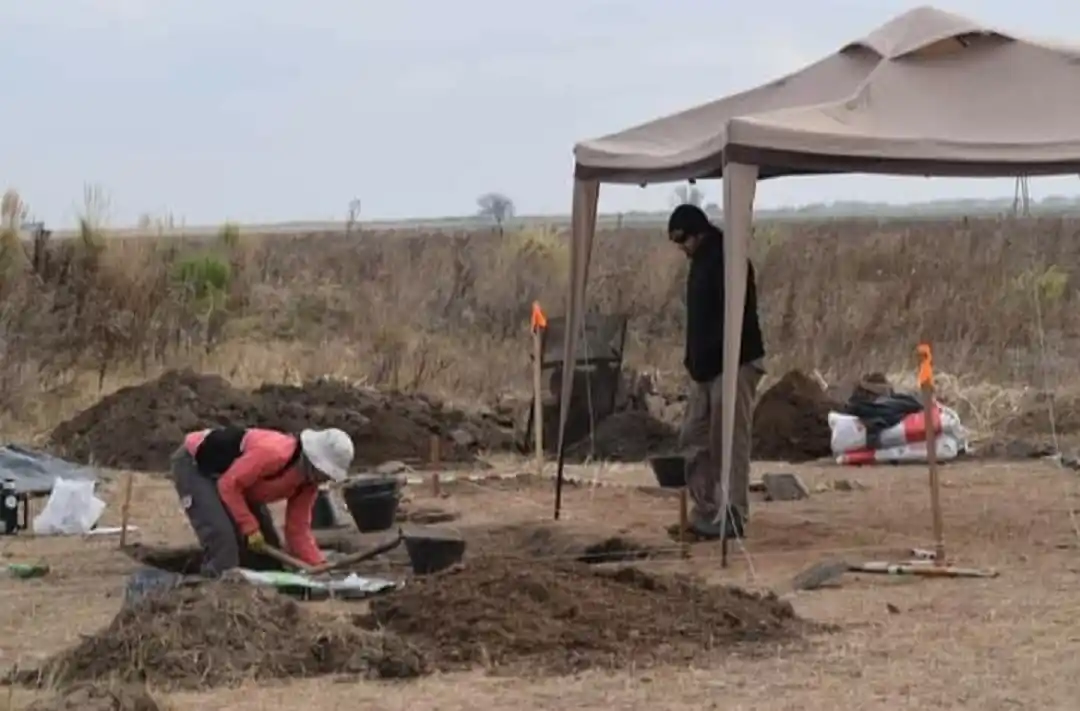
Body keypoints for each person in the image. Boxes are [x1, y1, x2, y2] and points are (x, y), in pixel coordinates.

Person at [668, 203, 765, 540]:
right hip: (705, 370)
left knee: (730, 441)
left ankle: (733, 513)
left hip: (734, 363)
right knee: (693, 437)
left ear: (698, 232)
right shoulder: (700, 263)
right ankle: (707, 509)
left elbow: (733, 318)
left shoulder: (730, 260)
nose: (682, 250)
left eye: (684, 241)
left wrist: (716, 357)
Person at [169, 426, 354, 576]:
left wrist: (318, 565)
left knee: (269, 558)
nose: (327, 479)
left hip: (236, 484)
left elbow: (298, 530)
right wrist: (249, 526)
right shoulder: (274, 453)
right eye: (327, 473)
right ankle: (209, 592)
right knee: (223, 542)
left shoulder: (308, 483)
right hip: (197, 466)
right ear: (315, 462)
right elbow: (229, 485)